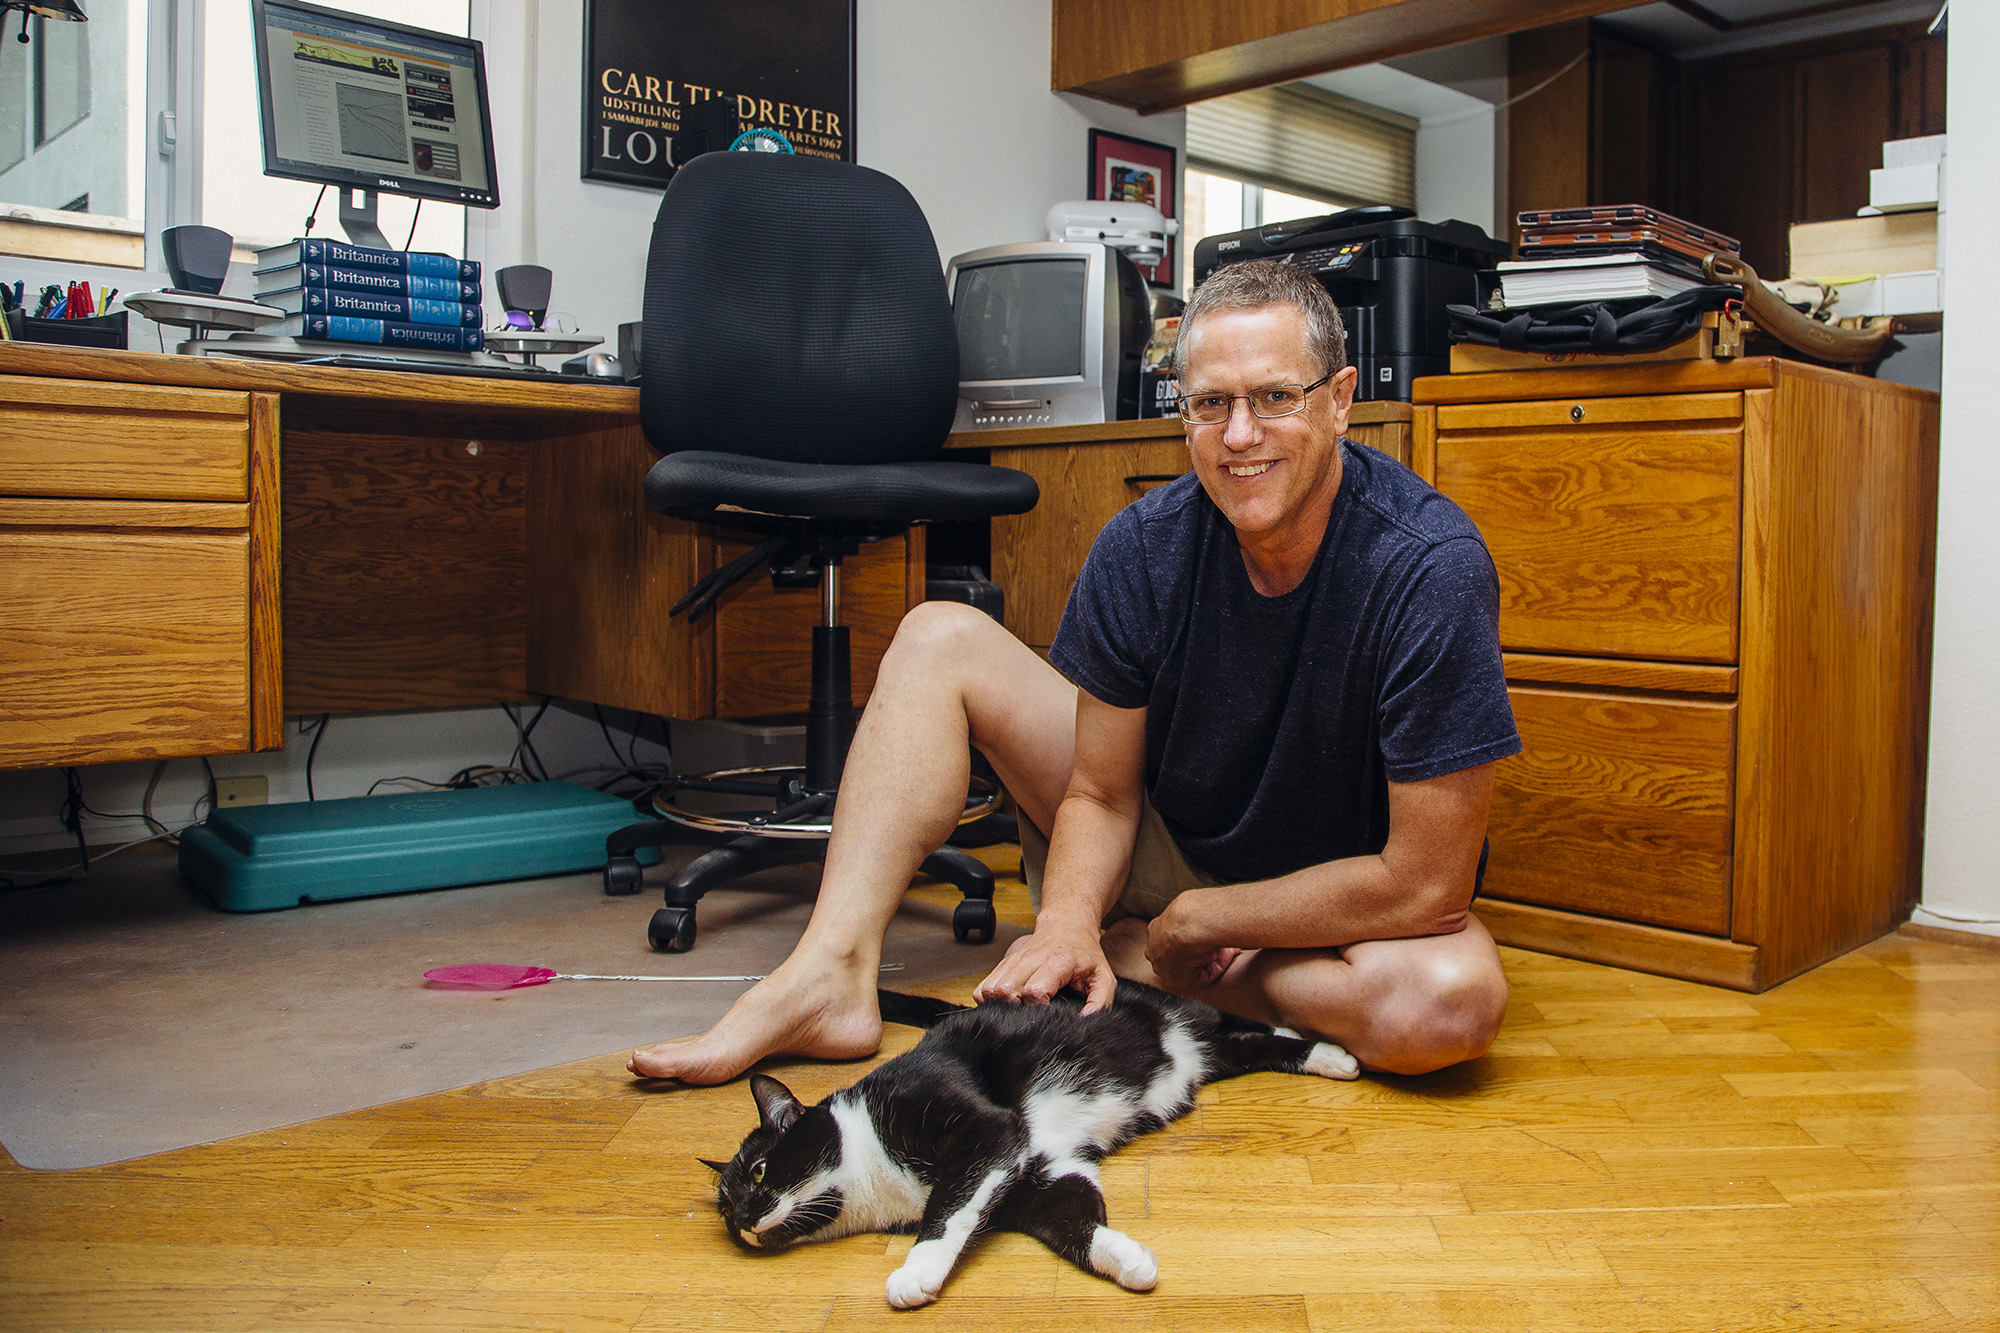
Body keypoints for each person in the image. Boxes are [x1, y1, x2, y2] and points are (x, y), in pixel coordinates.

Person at [629, 259, 1519, 1085]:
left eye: (1275, 397)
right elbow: (1097, 792)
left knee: (1448, 1005)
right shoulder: (1143, 544)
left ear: (1340, 401)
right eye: (1210, 404)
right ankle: (829, 974)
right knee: (939, 634)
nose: (1240, 435)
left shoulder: (1427, 565)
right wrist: (1063, 922)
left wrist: (1199, 926)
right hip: (1165, 841)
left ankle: (1157, 965)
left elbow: (1426, 884)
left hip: (1330, 898)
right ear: (1183, 413)